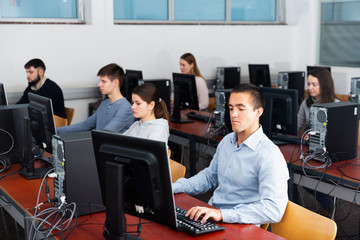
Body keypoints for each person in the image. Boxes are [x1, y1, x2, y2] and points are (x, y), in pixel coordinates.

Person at [172, 83, 289, 225]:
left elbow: (274, 210)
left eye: (241, 109)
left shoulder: (269, 155)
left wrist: (223, 214)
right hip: (212, 215)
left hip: (239, 225)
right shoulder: (228, 141)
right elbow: (209, 177)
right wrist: (174, 187)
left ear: (258, 112)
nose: (233, 114)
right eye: (231, 108)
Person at [296, 67, 337, 214]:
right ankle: (294, 208)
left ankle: (327, 204)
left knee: (306, 179)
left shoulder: (336, 105)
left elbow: (338, 135)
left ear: (324, 85)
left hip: (330, 155)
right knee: (291, 174)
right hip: (310, 152)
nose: (310, 88)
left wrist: (315, 135)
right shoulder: (306, 104)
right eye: (308, 84)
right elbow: (297, 125)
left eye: (314, 84)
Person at [56, 63, 134, 134]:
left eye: (103, 81)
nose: (99, 84)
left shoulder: (125, 108)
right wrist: (56, 130)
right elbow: (85, 125)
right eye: (100, 81)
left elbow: (106, 133)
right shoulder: (104, 103)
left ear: (115, 83)